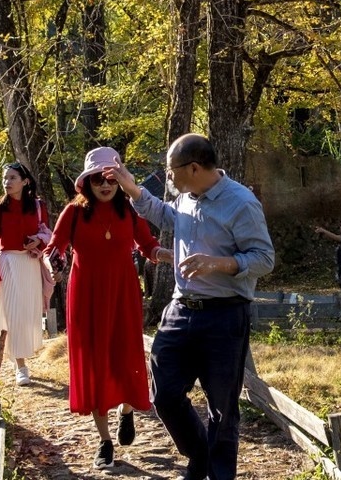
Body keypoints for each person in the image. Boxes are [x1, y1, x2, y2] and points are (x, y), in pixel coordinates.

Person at [104, 133, 275, 480]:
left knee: (222, 409)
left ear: (194, 168)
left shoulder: (241, 203)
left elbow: (264, 258)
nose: (168, 176)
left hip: (225, 314)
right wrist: (133, 190)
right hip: (180, 311)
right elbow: (167, 216)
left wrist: (219, 263)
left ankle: (216, 473)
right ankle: (200, 455)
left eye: (171, 170)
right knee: (164, 395)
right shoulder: (186, 196)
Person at [48, 147, 168, 470]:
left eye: (111, 179)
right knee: (95, 364)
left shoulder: (130, 211)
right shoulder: (74, 212)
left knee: (124, 356)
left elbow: (147, 245)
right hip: (86, 295)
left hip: (123, 293)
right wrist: (54, 266)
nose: (105, 185)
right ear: (87, 182)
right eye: (98, 179)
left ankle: (126, 410)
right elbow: (54, 247)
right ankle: (104, 441)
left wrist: (165, 254)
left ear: (119, 181)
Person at [0, 161, 51, 387]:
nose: (7, 182)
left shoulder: (38, 206)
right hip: (7, 262)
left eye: (12, 178)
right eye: (5, 178)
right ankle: (20, 365)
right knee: (12, 313)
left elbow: (46, 234)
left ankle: (19, 356)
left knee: (27, 314)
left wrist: (37, 241)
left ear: (25, 181)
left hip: (30, 264)